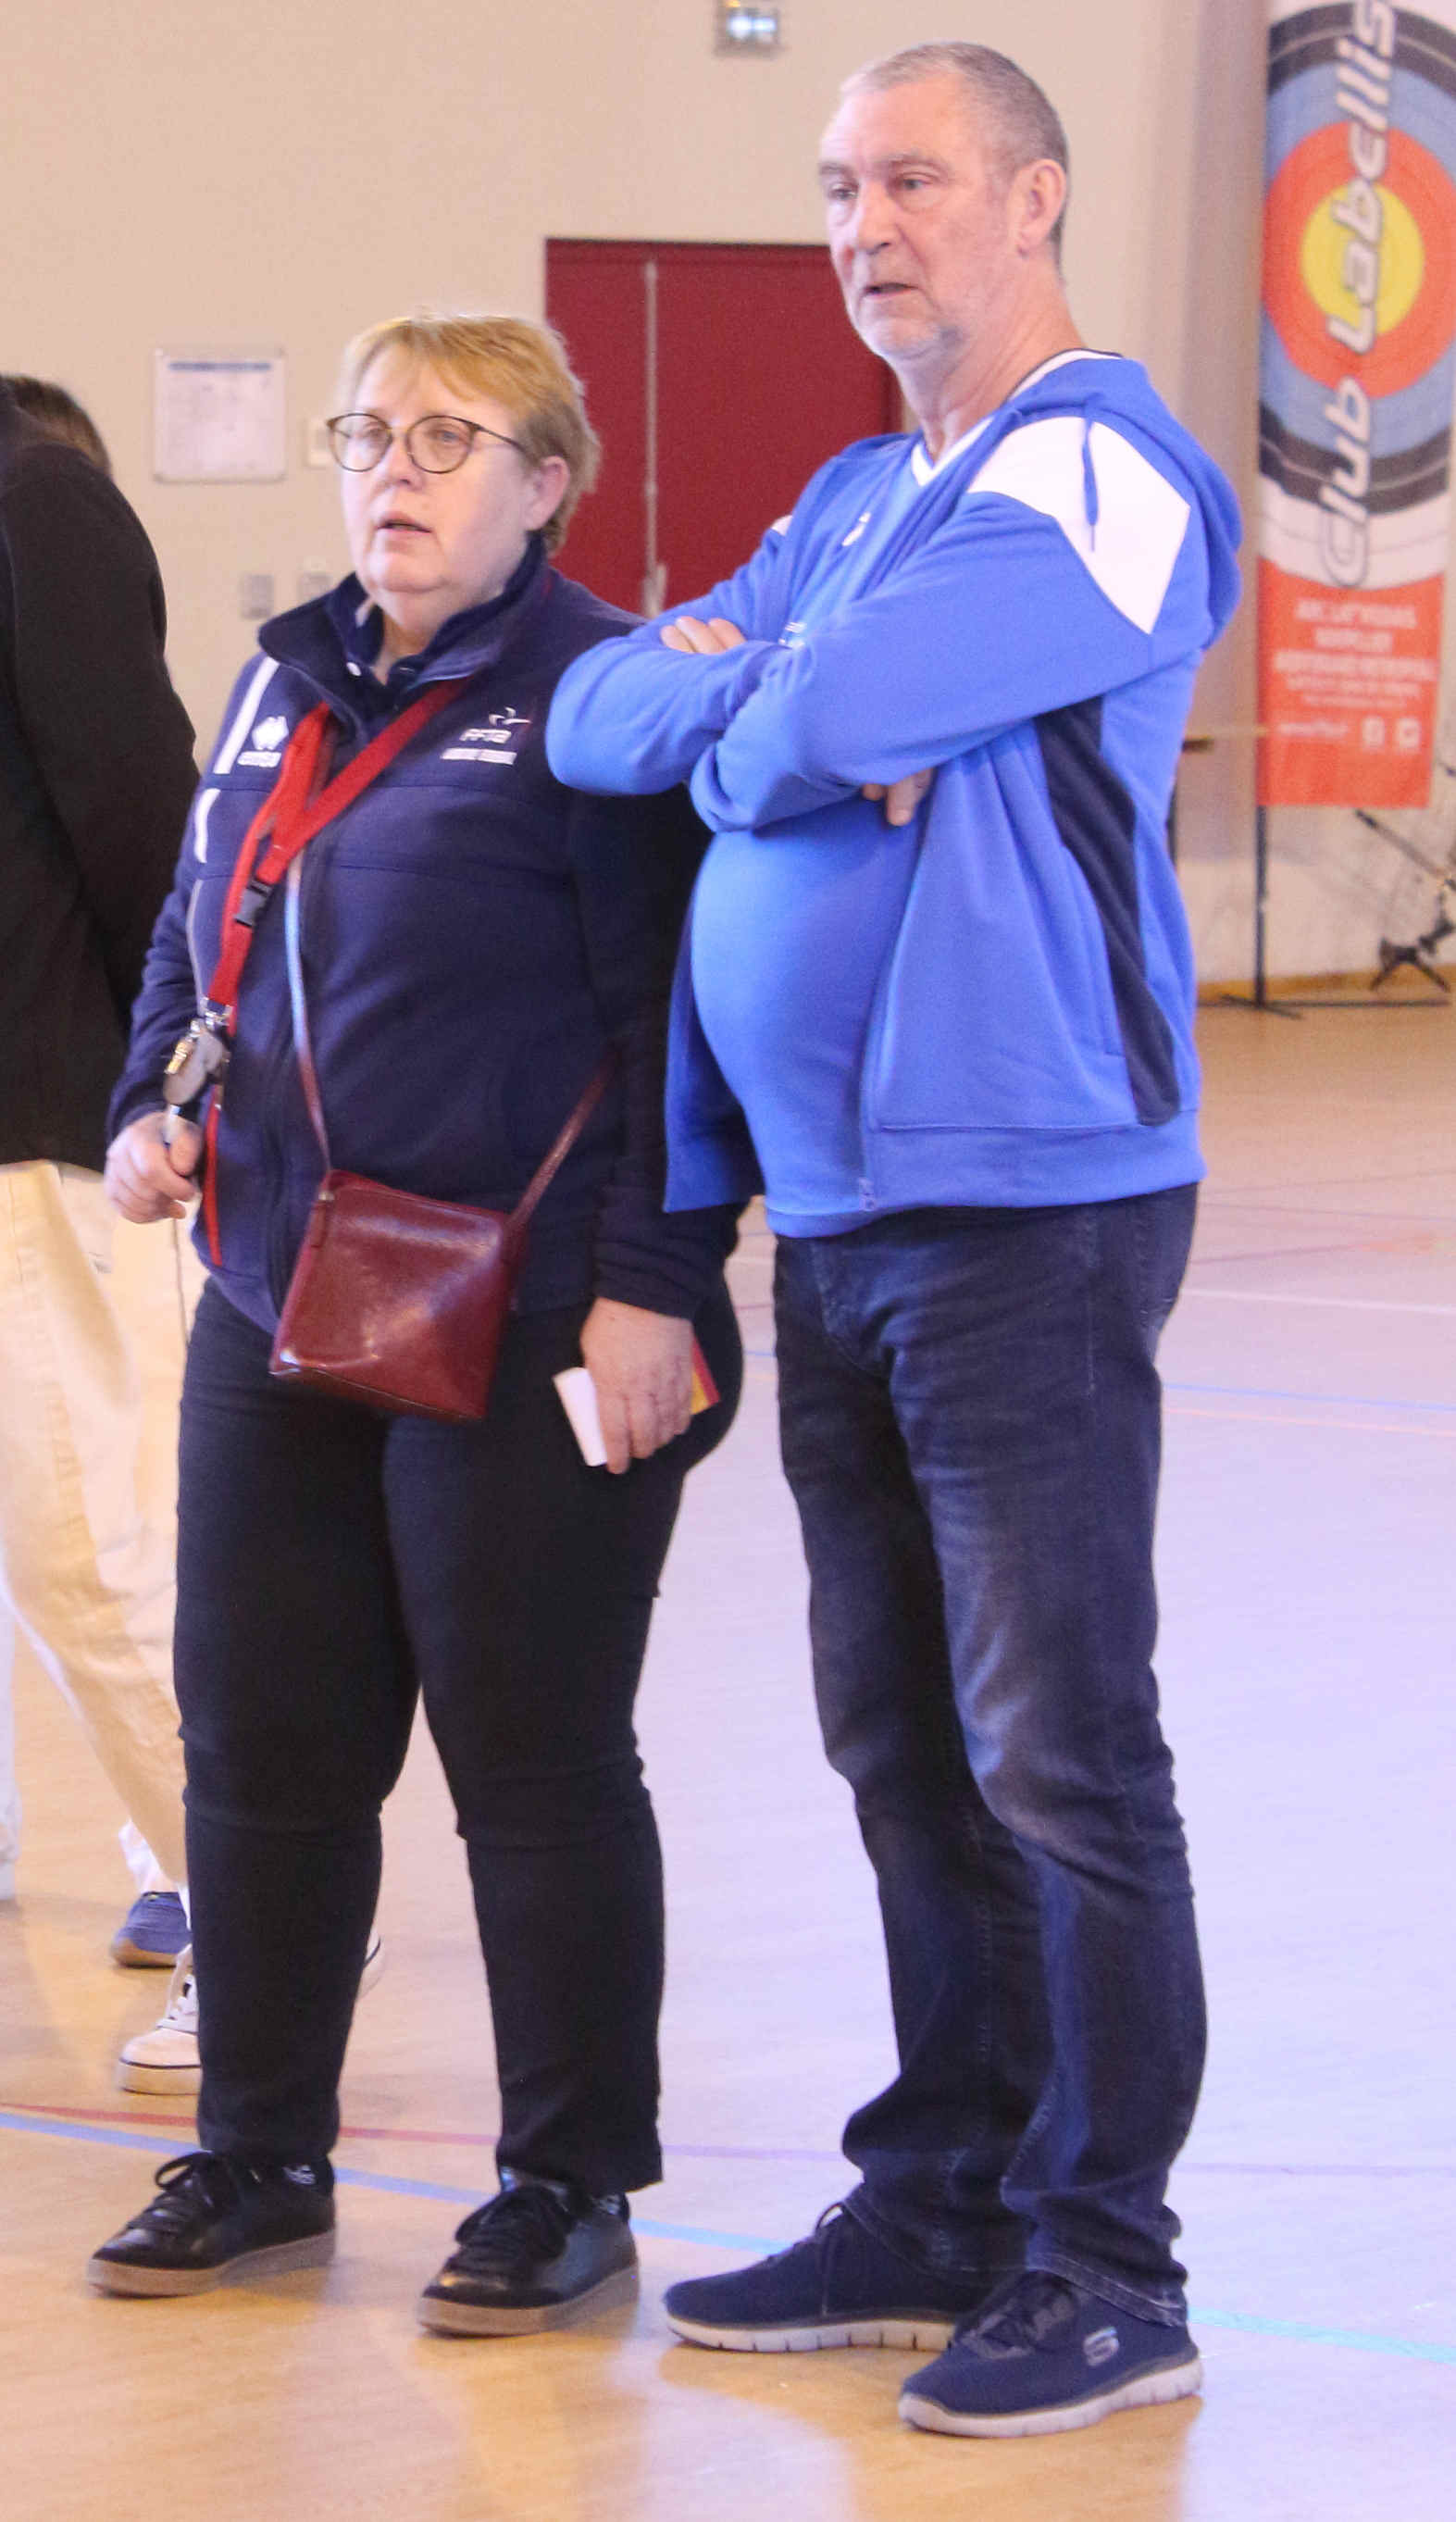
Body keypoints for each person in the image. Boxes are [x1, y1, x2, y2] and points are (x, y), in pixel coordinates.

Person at [547, 42, 1240, 2440]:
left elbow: (774, 720)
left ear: (1034, 199)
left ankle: (1106, 2257)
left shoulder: (1102, 469)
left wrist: (764, 709)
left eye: (915, 178)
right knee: (899, 1736)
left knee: (1058, 1746)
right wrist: (783, 709)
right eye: (838, 185)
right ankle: (942, 2190)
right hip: (837, 1216)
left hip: (1026, 1204)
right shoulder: (862, 492)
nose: (865, 224)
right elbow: (609, 711)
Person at [87, 313, 740, 2326]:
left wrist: (652, 1287)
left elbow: (676, 1025)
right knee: (261, 1745)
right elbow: (196, 931)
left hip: (531, 1313)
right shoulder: (279, 678)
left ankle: (566, 2187)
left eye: (449, 438)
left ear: (549, 483)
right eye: (370, 433)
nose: (395, 469)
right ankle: (258, 2151)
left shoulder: (603, 703)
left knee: (532, 1758)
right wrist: (149, 1110)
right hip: (281, 1291)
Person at [0, 373, 196, 1972]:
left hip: (39, 1120)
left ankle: (254, 1905)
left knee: (83, 1544)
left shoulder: (34, 499)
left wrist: (168, 1080)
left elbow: (141, 818)